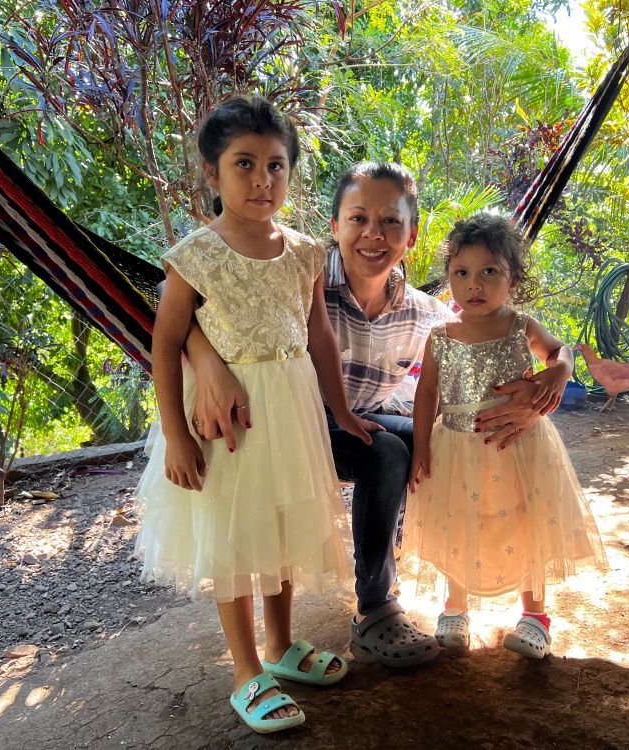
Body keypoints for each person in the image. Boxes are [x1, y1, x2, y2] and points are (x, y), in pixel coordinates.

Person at [186, 162, 553, 667]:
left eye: (390, 222)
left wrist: (544, 387)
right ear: (334, 227)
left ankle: (466, 587)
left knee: (438, 442)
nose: (373, 235)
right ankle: (376, 608)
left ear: (412, 236)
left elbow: (489, 341)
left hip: (358, 424)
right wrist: (204, 359)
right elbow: (175, 300)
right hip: (287, 428)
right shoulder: (300, 276)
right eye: (358, 219)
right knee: (386, 452)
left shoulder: (428, 313)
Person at [133, 96, 379, 735]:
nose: (262, 180)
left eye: (276, 165)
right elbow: (165, 342)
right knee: (234, 535)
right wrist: (177, 435)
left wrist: (341, 409)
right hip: (226, 424)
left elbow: (319, 333)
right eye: (244, 164)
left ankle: (282, 645)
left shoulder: (304, 252)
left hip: (291, 409)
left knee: (279, 525)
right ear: (212, 174)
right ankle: (247, 671)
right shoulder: (196, 254)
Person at [404, 213, 607, 660]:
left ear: (512, 278)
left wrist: (559, 371)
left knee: (525, 519)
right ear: (449, 278)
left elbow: (561, 351)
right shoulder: (440, 336)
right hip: (455, 447)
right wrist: (420, 447)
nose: (473, 285)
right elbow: (426, 395)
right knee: (459, 523)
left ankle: (535, 616)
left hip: (518, 448)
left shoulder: (521, 325)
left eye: (488, 272)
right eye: (462, 273)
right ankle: (454, 609)